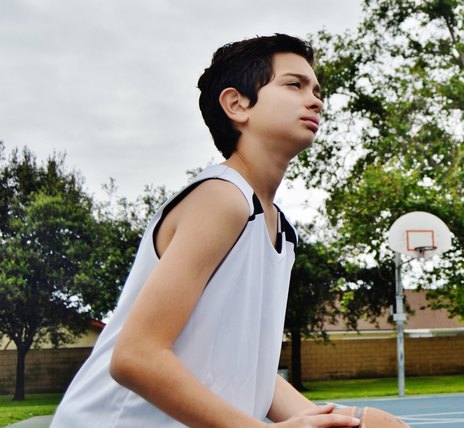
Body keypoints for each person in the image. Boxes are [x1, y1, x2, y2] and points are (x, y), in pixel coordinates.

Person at [51, 34, 361, 427]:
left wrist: (354, 420)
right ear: (237, 104)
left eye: (317, 89)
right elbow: (135, 356)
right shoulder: (222, 198)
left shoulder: (280, 232)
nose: (316, 99)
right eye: (294, 84)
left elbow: (247, 372)